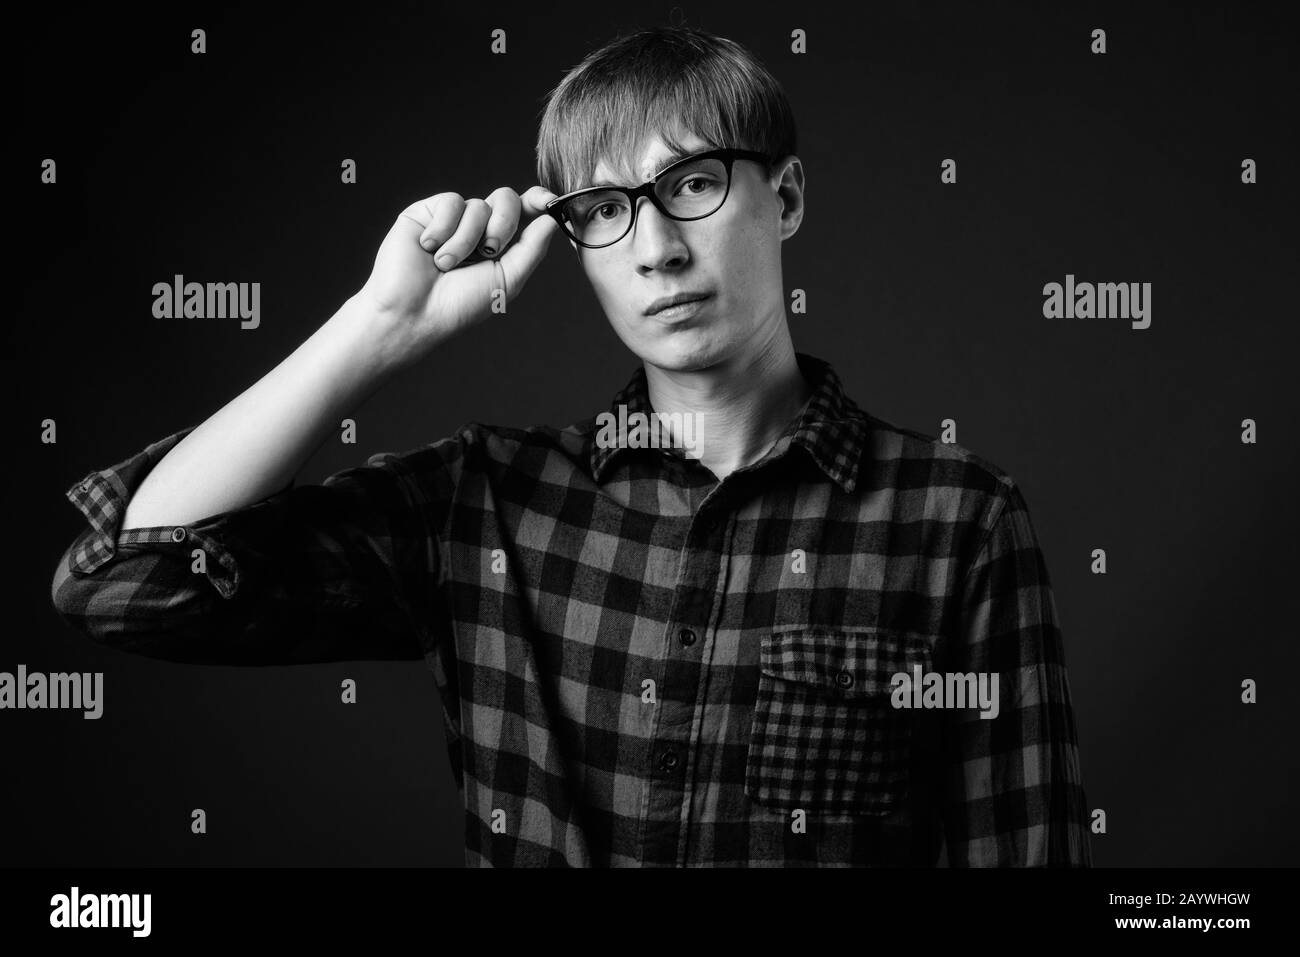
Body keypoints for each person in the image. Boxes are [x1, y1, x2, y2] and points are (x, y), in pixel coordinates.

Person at [50, 25, 1092, 866]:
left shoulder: (957, 519)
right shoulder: (489, 500)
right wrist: (377, 328)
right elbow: (126, 583)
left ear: (787, 195)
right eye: (605, 207)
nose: (655, 248)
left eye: (691, 184)